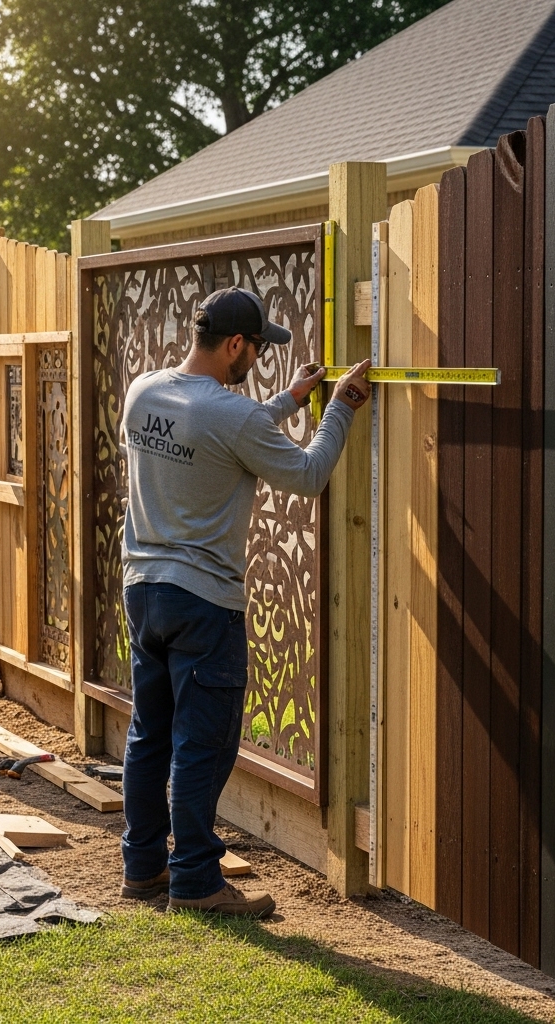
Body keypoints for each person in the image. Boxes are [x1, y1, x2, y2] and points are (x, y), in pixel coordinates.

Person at [119, 285, 371, 916]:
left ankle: (143, 868)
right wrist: (338, 408)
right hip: (204, 604)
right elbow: (308, 474)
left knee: (149, 735)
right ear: (235, 343)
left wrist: (288, 400)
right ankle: (198, 882)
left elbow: (221, 432)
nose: (258, 358)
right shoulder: (234, 417)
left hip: (144, 593)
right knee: (202, 745)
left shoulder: (145, 391)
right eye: (256, 347)